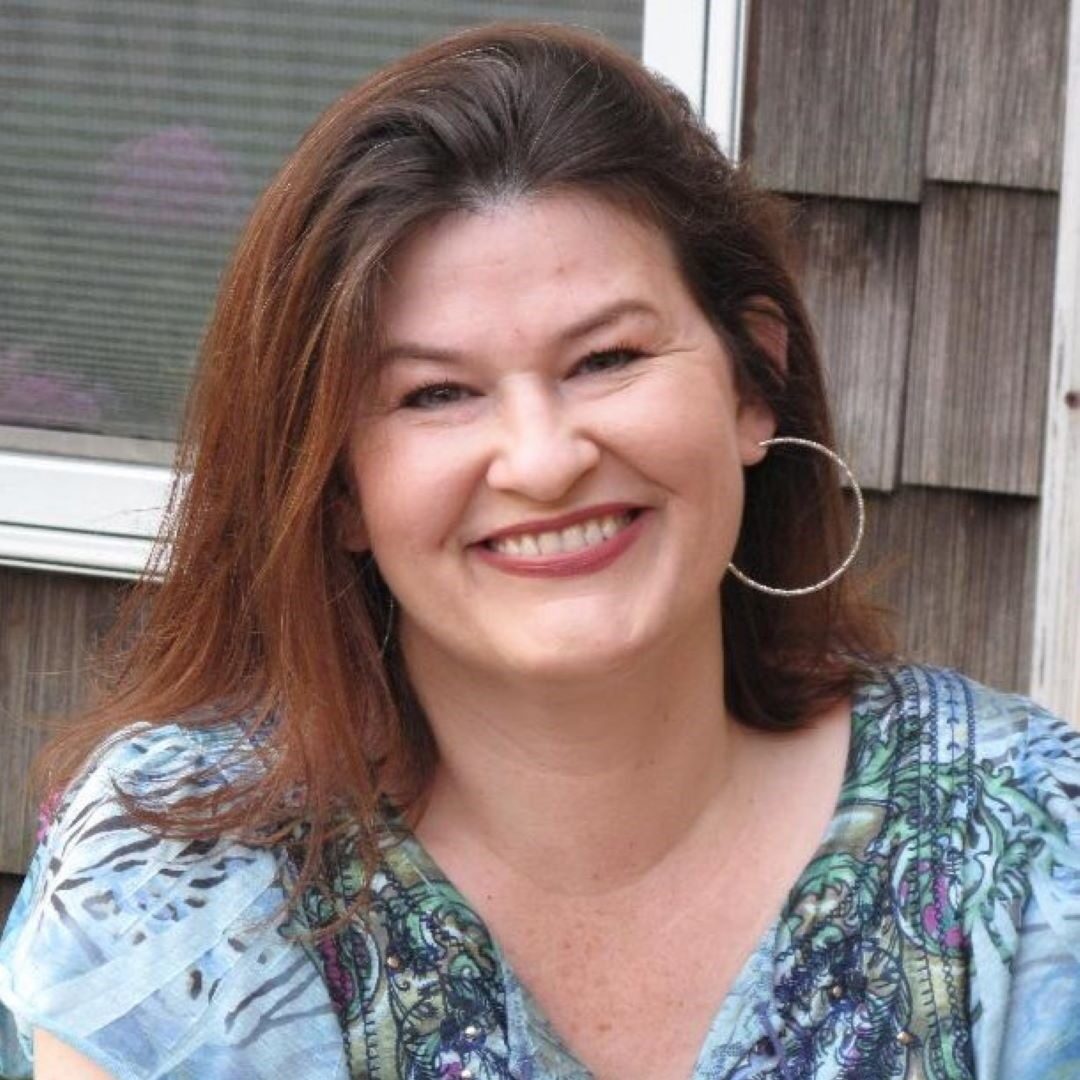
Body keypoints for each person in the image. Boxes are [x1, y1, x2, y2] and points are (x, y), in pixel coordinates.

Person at [1, 21, 1078, 1080]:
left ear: (755, 380)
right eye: (435, 393)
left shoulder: (1033, 860)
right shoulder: (178, 887)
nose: (544, 459)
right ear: (337, 488)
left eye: (606, 357)